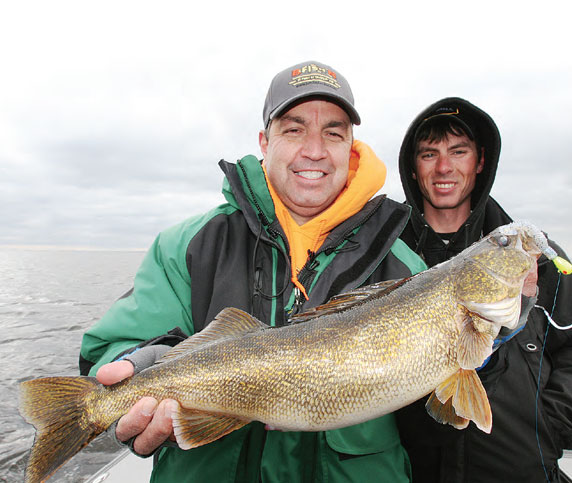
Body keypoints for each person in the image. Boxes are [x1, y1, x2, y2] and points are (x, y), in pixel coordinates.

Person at [79, 61, 426, 483]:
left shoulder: (405, 268)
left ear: (351, 148)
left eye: (333, 133)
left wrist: (503, 324)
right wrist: (144, 360)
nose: (314, 150)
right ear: (265, 142)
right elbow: (109, 347)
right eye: (294, 129)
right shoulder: (188, 245)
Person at [396, 96, 572, 482]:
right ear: (412, 165)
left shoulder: (532, 255)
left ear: (481, 161)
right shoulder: (383, 255)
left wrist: (551, 422)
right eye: (429, 154)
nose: (444, 167)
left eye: (459, 151)